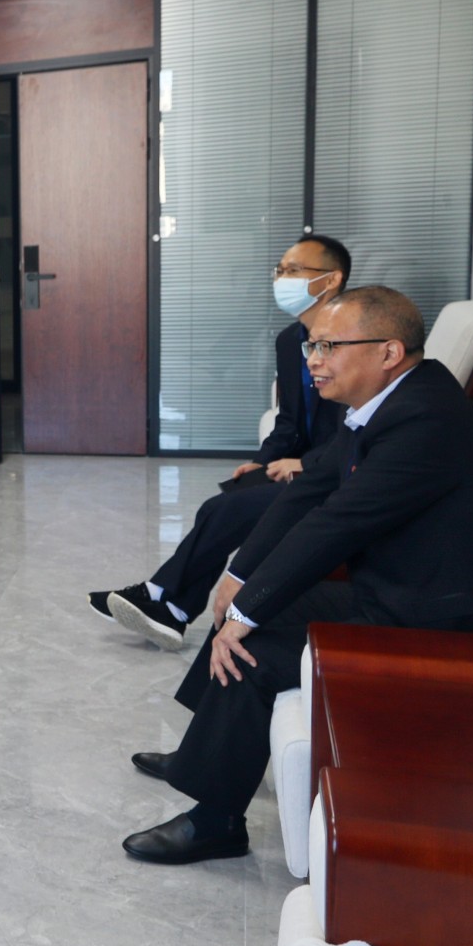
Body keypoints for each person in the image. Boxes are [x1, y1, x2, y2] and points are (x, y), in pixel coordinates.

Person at [123, 287, 473, 864]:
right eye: (311, 346)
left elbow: (338, 523)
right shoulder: (391, 400)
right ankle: (206, 751)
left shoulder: (425, 421)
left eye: (328, 346)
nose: (313, 361)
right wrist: (238, 577)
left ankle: (215, 822)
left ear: (388, 352)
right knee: (249, 607)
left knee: (253, 646)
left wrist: (248, 609)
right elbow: (312, 490)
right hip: (406, 589)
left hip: (455, 621)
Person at [91, 235, 351, 648]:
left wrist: (306, 464)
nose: (282, 279)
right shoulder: (290, 340)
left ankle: (166, 600)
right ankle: (169, 604)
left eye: (294, 271)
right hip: (303, 466)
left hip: (336, 475)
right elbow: (288, 421)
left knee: (224, 509)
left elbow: (359, 428)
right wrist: (263, 461)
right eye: (279, 271)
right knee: (226, 500)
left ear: (332, 279)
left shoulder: (354, 343)